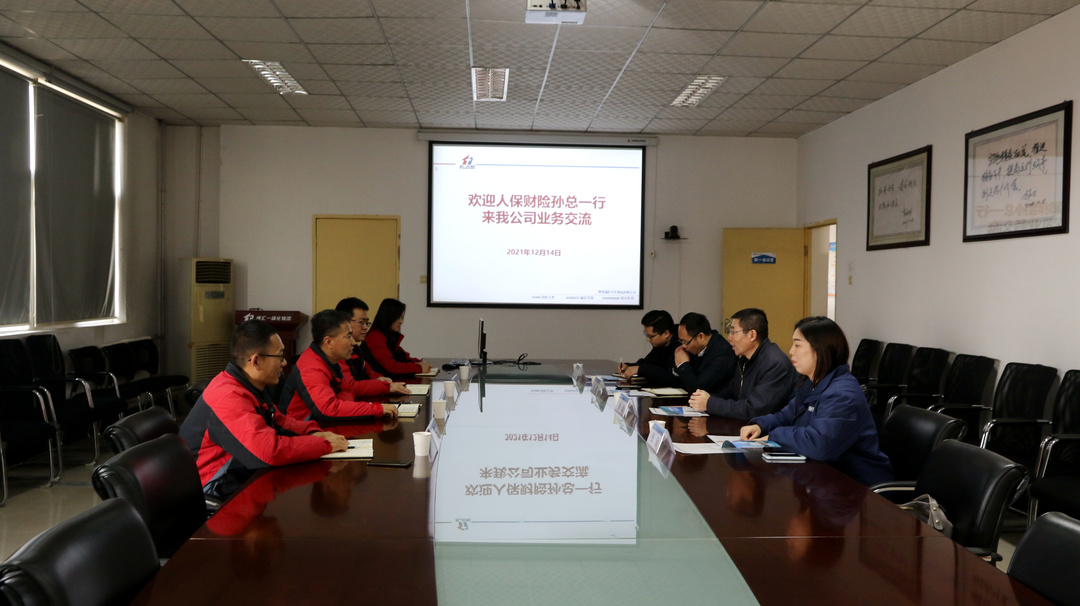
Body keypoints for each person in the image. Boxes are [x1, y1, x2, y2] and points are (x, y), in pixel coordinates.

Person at [179, 319, 348, 501]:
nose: (284, 363)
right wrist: (324, 445)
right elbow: (269, 451)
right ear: (256, 361)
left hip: (241, 474)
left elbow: (279, 420)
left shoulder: (247, 384)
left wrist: (314, 433)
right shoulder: (228, 396)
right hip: (212, 490)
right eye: (280, 357)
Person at [739, 316, 893, 487]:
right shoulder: (812, 382)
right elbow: (787, 415)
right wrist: (760, 426)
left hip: (859, 487)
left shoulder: (842, 394)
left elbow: (820, 444)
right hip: (825, 479)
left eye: (797, 345)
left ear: (819, 350)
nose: (791, 351)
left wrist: (774, 436)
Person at [279, 309, 401, 425]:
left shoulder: (329, 359)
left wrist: (343, 403)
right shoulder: (312, 367)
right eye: (348, 337)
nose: (353, 342)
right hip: (300, 430)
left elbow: (347, 389)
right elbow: (328, 409)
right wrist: (377, 409)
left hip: (320, 424)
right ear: (328, 342)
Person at [687, 308, 797, 420]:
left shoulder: (774, 364)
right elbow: (732, 393)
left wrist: (710, 403)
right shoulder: (745, 360)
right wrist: (705, 398)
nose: (729, 338)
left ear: (752, 335)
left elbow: (754, 410)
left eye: (733, 332)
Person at [334, 296, 409, 396]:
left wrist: (377, 378)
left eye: (366, 323)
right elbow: (350, 387)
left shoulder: (356, 348)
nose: (365, 327)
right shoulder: (336, 351)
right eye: (361, 322)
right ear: (344, 323)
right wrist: (385, 387)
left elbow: (367, 370)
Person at [363, 298, 432, 378]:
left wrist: (418, 363)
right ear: (388, 317)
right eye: (398, 317)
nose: (401, 322)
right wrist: (419, 368)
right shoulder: (375, 337)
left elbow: (403, 357)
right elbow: (391, 367)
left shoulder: (388, 336)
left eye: (402, 317)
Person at [674, 312, 736, 393]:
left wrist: (683, 364)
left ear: (701, 337)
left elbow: (698, 389)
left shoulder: (724, 354)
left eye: (685, 342)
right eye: (681, 341)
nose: (684, 346)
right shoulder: (694, 348)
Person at [616, 309, 681, 387]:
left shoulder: (681, 346)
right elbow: (648, 363)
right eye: (647, 335)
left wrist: (641, 370)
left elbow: (675, 377)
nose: (648, 339)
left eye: (651, 336)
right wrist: (628, 366)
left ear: (666, 333)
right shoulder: (660, 345)